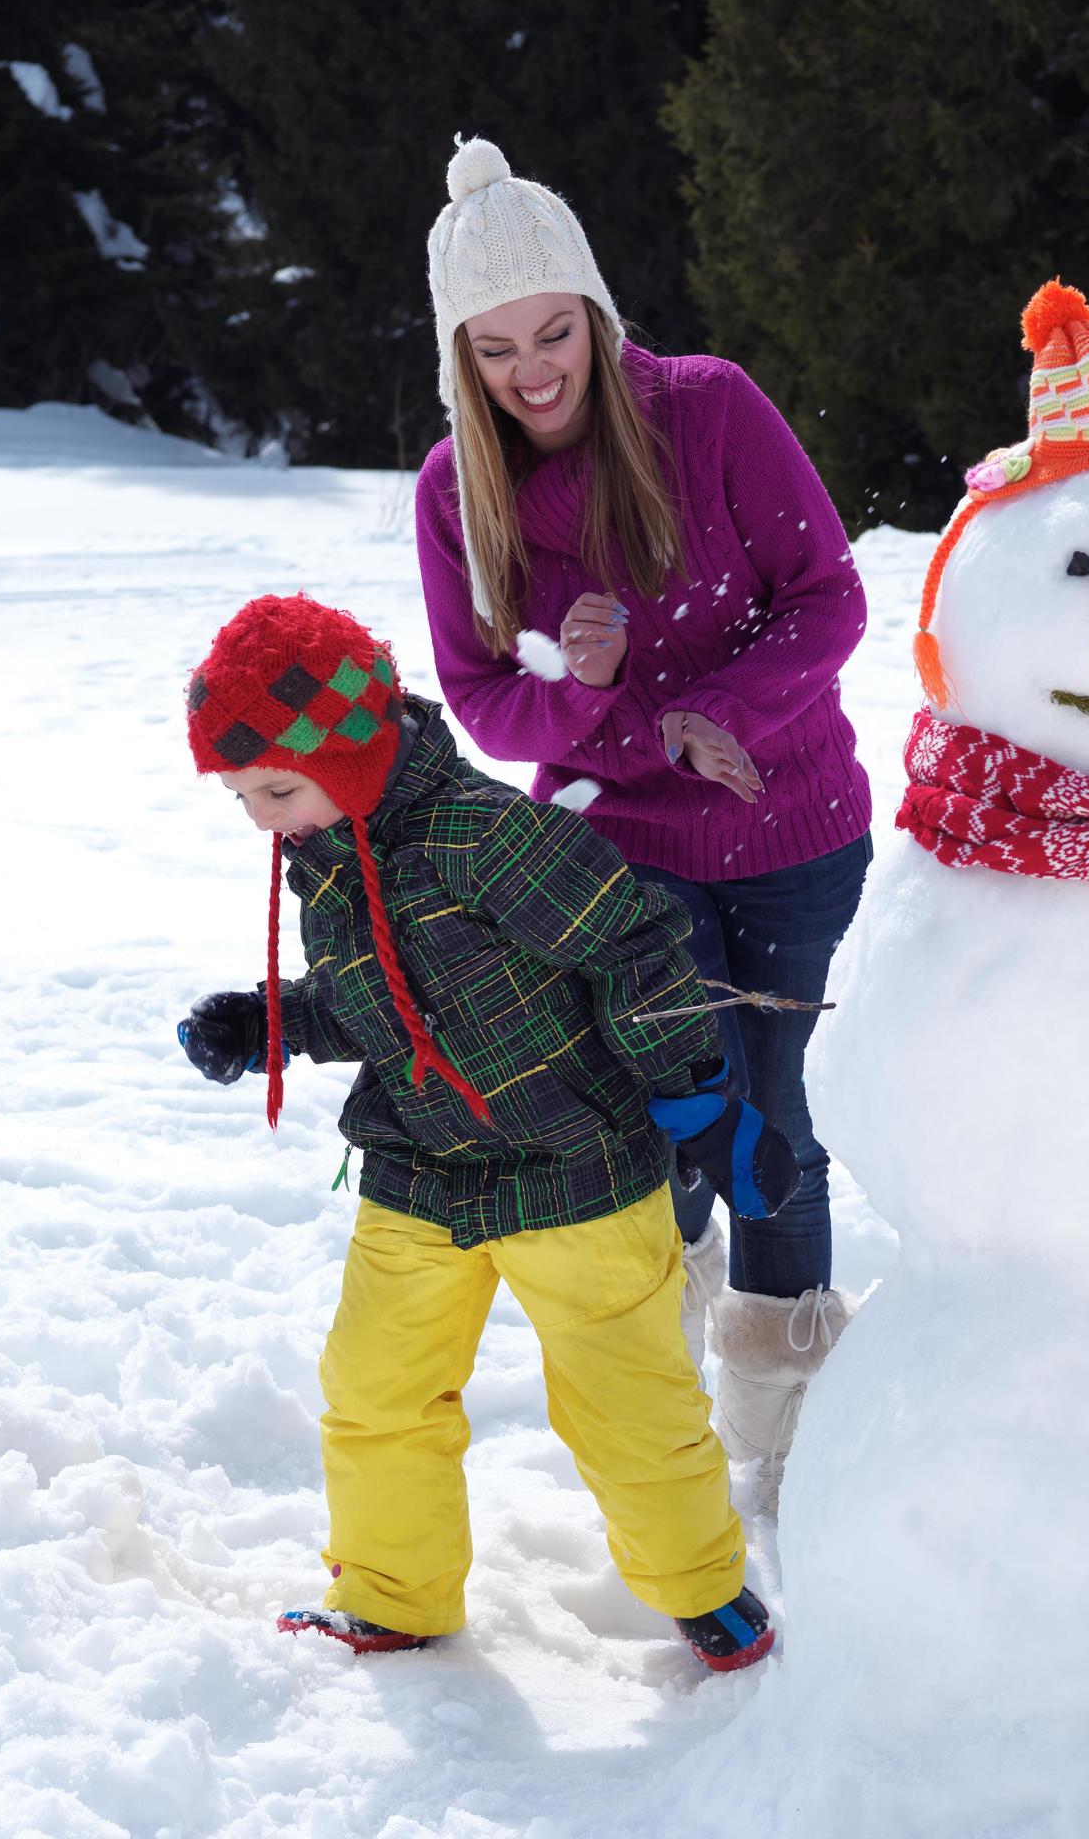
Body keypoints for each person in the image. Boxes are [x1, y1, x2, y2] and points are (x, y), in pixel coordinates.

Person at [176, 592, 800, 1668]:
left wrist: (696, 1098)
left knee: (628, 1405)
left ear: (357, 751)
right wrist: (274, 1021)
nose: (259, 818)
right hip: (423, 1170)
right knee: (375, 1388)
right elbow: (391, 1001)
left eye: (274, 787)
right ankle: (395, 1589)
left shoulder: (483, 834)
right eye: (238, 794)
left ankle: (705, 1590)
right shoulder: (332, 846)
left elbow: (634, 945)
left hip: (579, 1168)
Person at [410, 136, 873, 1518]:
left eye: (554, 332)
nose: (533, 371)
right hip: (615, 867)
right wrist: (598, 696)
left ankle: (786, 1445)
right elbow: (487, 706)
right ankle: (659, 1436)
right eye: (495, 349)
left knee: (779, 1121)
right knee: (668, 1130)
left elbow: (828, 597)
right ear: (460, 357)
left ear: (598, 316)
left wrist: (722, 704)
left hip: (791, 830)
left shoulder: (711, 410)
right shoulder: (456, 491)